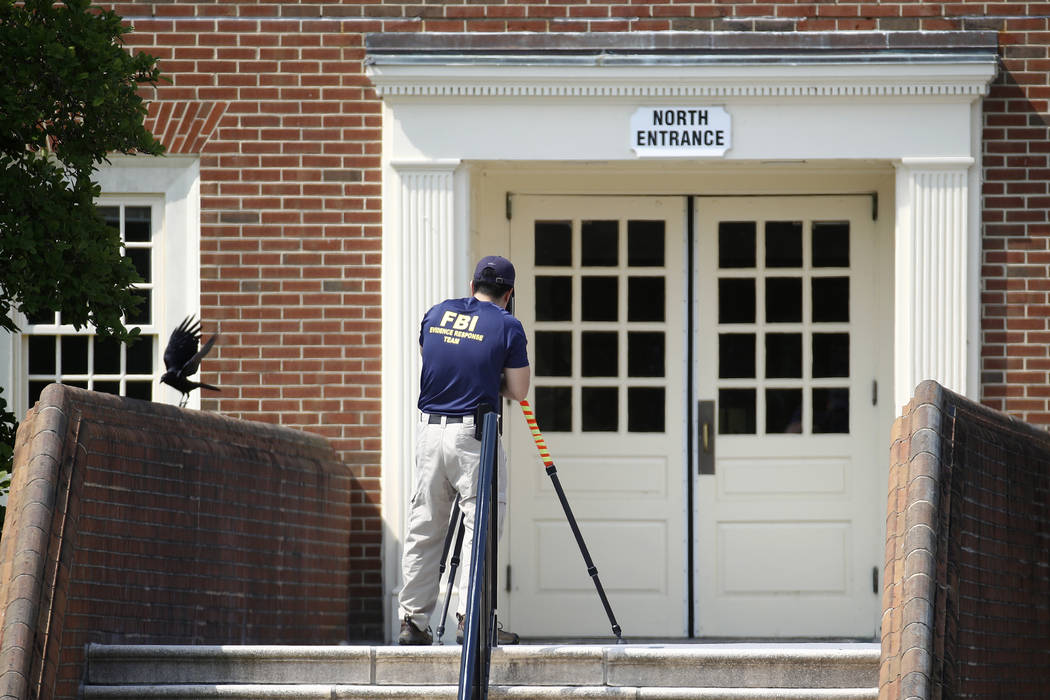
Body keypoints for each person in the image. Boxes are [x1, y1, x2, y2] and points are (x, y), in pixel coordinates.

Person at [398, 255, 531, 645]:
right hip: (473, 436)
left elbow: (435, 360)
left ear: (472, 286)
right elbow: (518, 390)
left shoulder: (436, 314)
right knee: (481, 529)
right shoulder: (507, 325)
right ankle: (469, 619)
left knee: (424, 528)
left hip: (429, 433)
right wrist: (494, 380)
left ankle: (413, 623)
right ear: (508, 294)